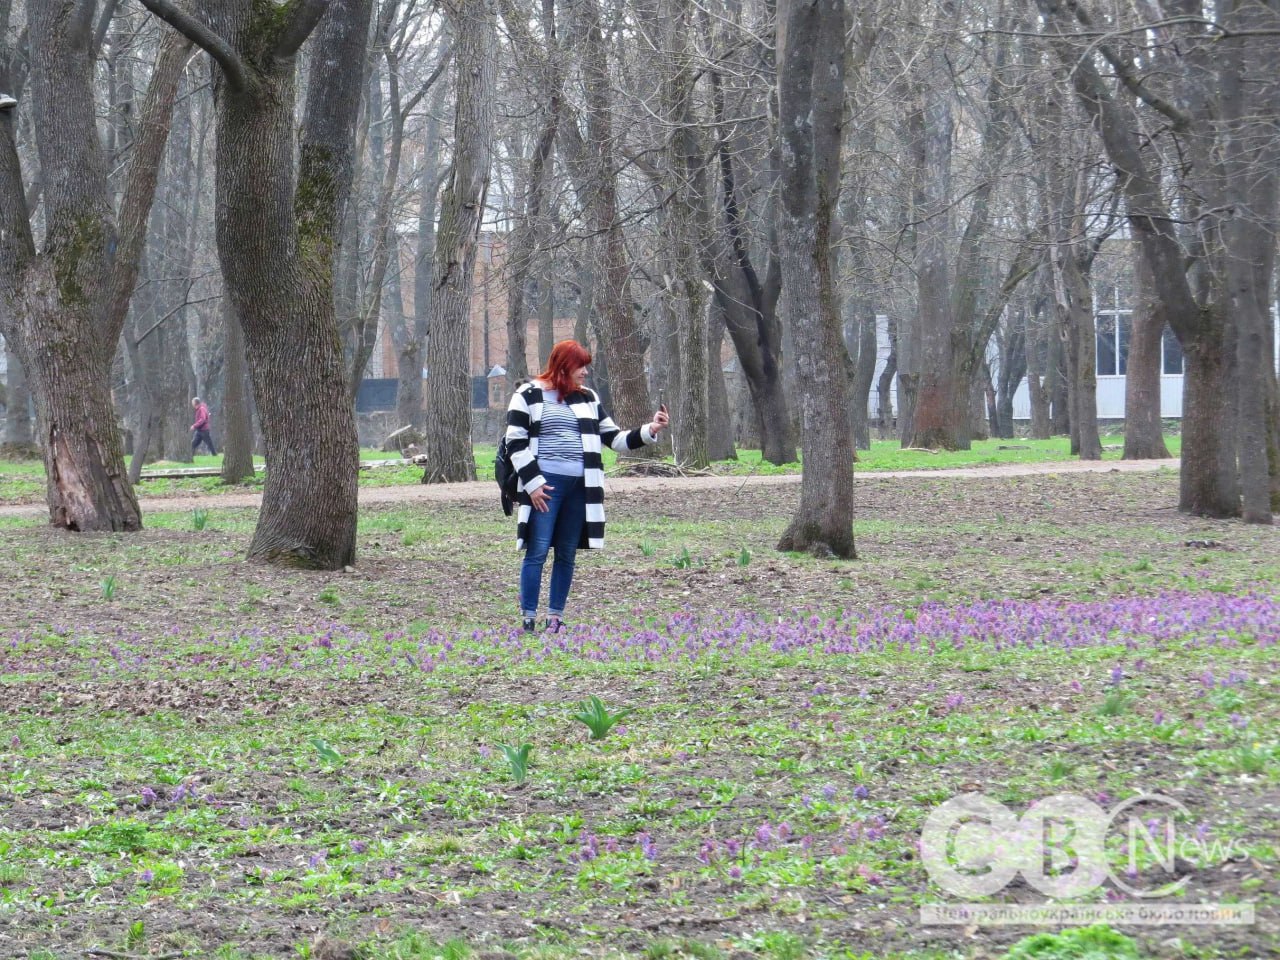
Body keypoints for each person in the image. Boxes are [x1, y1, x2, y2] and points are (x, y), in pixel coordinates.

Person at [504, 339, 669, 633]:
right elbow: (514, 442)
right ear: (564, 365)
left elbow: (615, 439)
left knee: (567, 552)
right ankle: (528, 617)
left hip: (580, 488)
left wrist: (650, 429)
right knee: (537, 550)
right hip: (545, 487)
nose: (585, 372)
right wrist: (533, 484)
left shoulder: (587, 398)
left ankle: (555, 618)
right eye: (580, 366)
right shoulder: (528, 395)